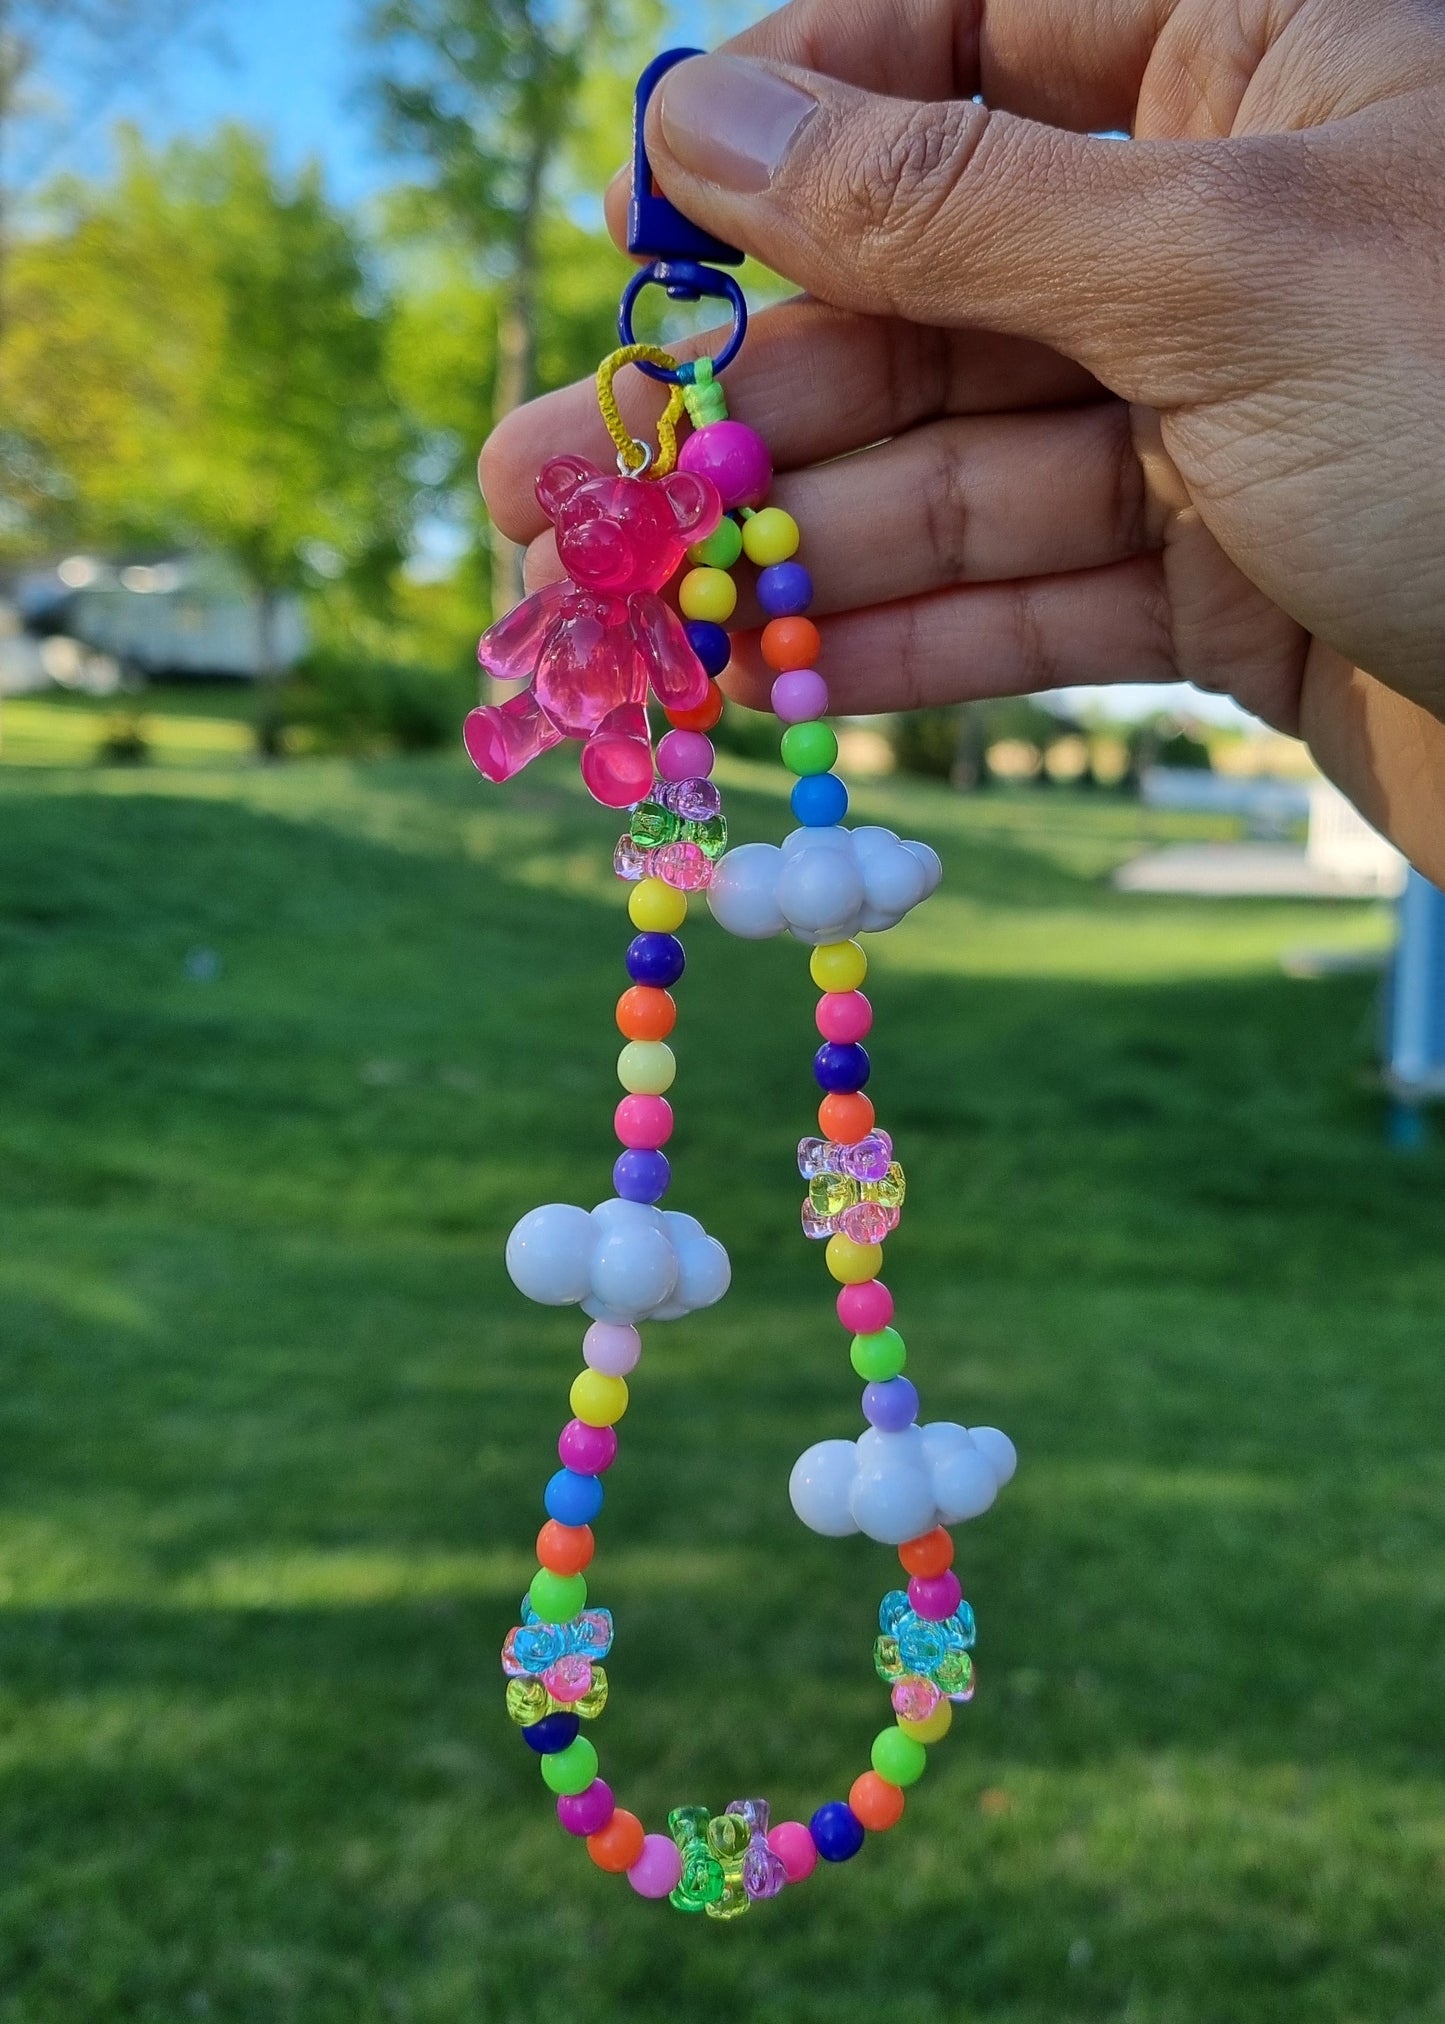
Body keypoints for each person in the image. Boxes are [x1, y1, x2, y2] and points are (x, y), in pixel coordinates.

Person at [480, 0, 1445, 879]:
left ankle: (639, 797)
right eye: (588, 520)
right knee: (646, 712)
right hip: (594, 657)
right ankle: (560, 757)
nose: (592, 538)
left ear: (685, 508)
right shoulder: (619, 572)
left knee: (668, 716)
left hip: (628, 660)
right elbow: (556, 634)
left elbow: (675, 659)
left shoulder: (683, 532)